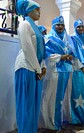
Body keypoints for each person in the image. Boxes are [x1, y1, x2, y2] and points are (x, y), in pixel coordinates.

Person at [15, 1, 46, 133]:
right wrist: (38, 69)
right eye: (36, 10)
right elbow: (28, 49)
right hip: (25, 67)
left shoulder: (36, 28)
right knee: (25, 104)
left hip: (35, 69)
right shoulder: (24, 24)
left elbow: (41, 49)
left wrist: (43, 66)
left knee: (34, 105)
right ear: (28, 10)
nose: (39, 13)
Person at [39, 16, 74, 131]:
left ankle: (58, 123)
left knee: (60, 99)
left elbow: (72, 53)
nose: (60, 27)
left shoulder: (67, 40)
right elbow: (46, 55)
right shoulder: (48, 39)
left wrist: (69, 57)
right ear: (53, 26)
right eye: (58, 25)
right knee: (51, 98)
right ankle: (50, 123)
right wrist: (61, 57)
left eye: (62, 25)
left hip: (65, 70)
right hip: (54, 71)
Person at [64, 19, 84, 125]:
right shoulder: (73, 39)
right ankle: (76, 118)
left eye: (82, 26)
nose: (81, 29)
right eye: (78, 27)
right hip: (77, 70)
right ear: (75, 28)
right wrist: (82, 68)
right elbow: (74, 55)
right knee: (77, 94)